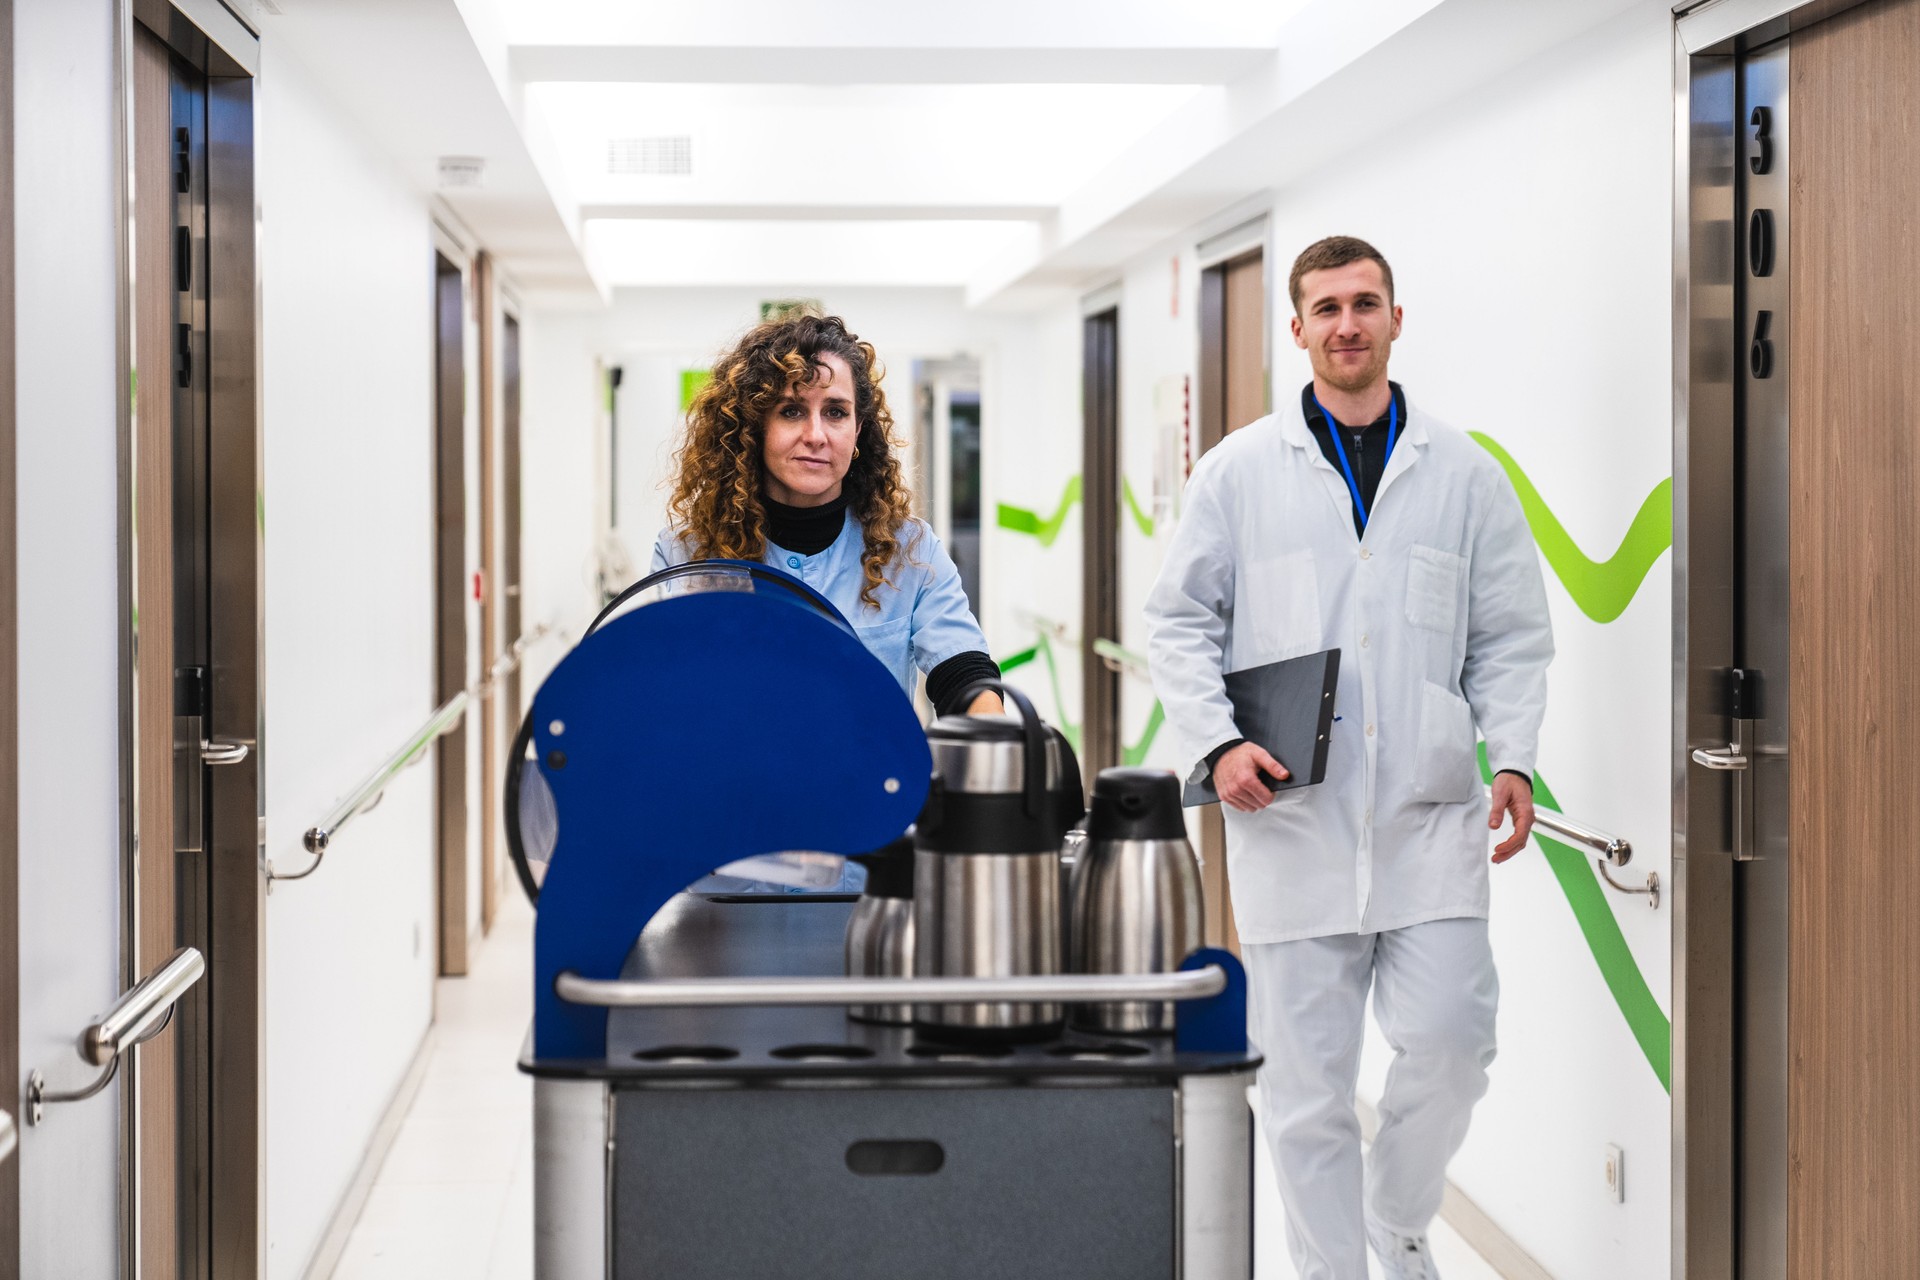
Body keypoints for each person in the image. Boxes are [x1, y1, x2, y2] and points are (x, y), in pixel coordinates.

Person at [1144, 236, 1552, 1280]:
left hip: (1428, 818)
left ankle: (1397, 1217)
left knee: (1456, 1041)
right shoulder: (1238, 472)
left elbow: (1510, 635)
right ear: (1298, 329)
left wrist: (1513, 755)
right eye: (1325, 307)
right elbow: (1179, 620)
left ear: (1396, 319)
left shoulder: (1464, 474)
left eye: (1365, 303)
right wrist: (1217, 742)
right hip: (1294, 823)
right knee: (1305, 1093)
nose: (1347, 323)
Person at [653, 310, 1002, 719]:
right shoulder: (686, 553)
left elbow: (963, 674)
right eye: (791, 410)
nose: (816, 435)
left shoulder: (910, 550)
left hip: (873, 763)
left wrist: (992, 735)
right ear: (755, 427)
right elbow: (661, 689)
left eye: (835, 412)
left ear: (858, 429)